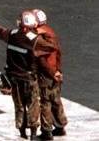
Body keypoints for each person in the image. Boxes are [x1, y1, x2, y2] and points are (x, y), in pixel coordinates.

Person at [0, 11, 40, 139]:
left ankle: (22, 133)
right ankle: (33, 134)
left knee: (19, 106)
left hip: (14, 79)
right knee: (33, 105)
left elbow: (2, 32)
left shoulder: (12, 34)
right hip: (29, 79)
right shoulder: (34, 39)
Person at [32, 9, 67, 139]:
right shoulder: (51, 33)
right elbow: (59, 53)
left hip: (46, 75)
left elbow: (42, 61)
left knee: (45, 102)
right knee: (56, 100)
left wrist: (52, 73)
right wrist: (58, 71)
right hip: (55, 73)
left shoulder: (39, 37)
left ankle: (46, 132)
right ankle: (60, 126)